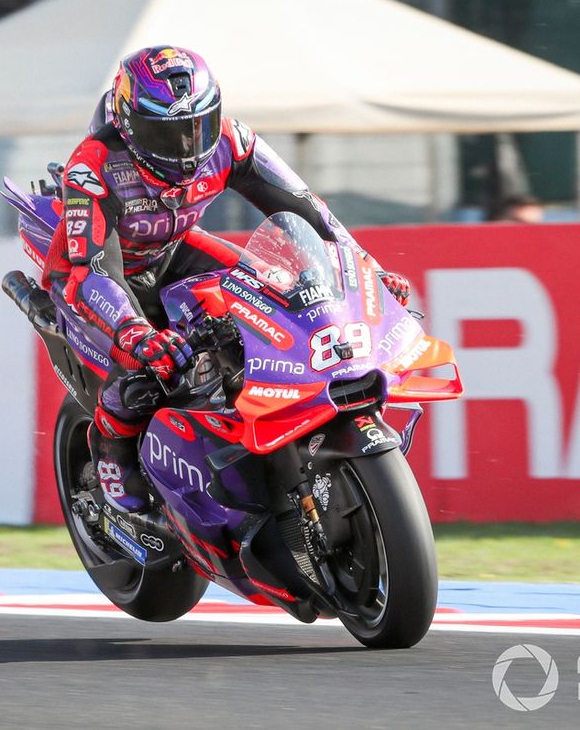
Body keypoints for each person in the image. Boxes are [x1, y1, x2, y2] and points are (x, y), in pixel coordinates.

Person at [45, 45, 413, 513]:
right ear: (131, 124)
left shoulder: (231, 142)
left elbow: (310, 212)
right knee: (147, 367)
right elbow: (91, 270)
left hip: (171, 250)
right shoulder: (93, 166)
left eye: (198, 126)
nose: (187, 147)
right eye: (167, 133)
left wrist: (370, 270)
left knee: (275, 294)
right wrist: (134, 331)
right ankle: (111, 452)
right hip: (95, 276)